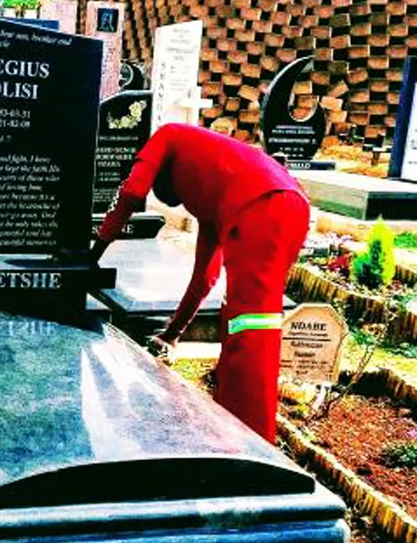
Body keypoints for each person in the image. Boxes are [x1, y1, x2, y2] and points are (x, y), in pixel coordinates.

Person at [90, 123, 310, 443]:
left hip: (262, 207)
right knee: (242, 320)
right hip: (293, 207)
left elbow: (133, 191)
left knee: (252, 331)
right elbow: (204, 277)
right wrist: (172, 333)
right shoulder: (213, 201)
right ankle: (234, 421)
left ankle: (248, 441)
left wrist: (95, 250)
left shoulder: (168, 134)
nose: (182, 201)